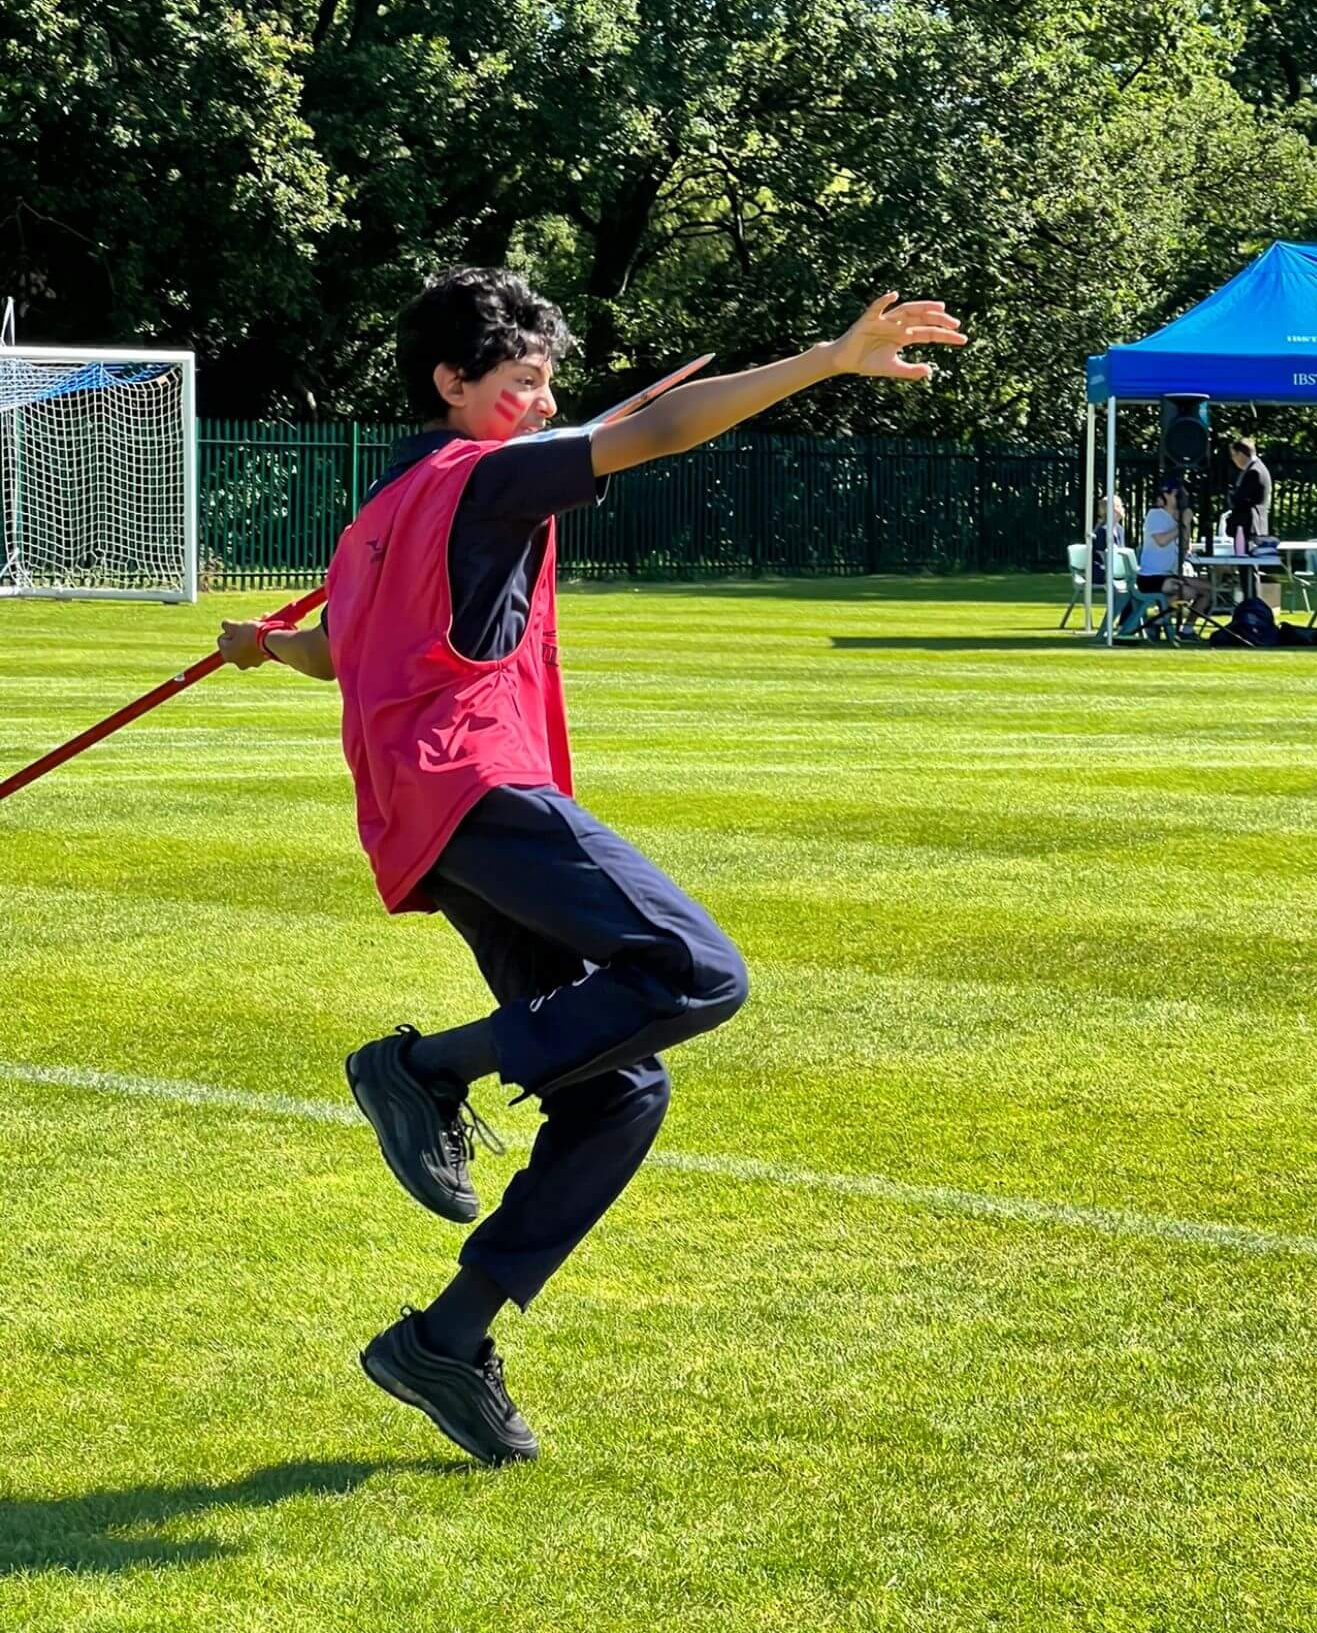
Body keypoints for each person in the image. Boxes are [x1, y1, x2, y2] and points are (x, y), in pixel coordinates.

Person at [216, 269, 965, 1469]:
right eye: (519, 383)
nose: (542, 400)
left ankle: (444, 1341)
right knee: (698, 969)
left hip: (429, 813)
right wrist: (827, 359)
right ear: (450, 384)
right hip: (478, 788)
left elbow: (342, 653)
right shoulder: (487, 473)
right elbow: (656, 427)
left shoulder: (384, 509)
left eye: (548, 382)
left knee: (620, 1091)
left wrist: (267, 645)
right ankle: (419, 1068)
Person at [1137, 484, 1210, 639]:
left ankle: (1187, 629)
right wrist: (1181, 525)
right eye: (1177, 496)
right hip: (1151, 576)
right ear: (1166, 496)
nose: (1180, 500)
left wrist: (1187, 525)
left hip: (1170, 574)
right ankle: (1156, 622)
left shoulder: (1177, 519)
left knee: (1207, 589)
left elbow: (1184, 549)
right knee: (1187, 592)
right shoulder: (1155, 515)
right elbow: (1161, 540)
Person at [1225, 438, 1273, 554]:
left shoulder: (1253, 472)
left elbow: (1240, 500)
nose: (1233, 460)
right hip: (1256, 526)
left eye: (1233, 455)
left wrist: (1231, 495)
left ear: (1241, 454)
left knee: (1246, 566)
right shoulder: (1260, 467)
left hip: (1249, 527)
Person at [1091, 495, 1125, 588]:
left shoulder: (1120, 529)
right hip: (1101, 570)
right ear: (1113, 509)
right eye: (1120, 506)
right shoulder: (1102, 530)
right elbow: (1103, 556)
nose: (1123, 509)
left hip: (1115, 569)